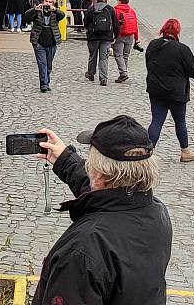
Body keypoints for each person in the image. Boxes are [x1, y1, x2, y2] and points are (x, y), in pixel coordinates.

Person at [32, 116, 170, 305]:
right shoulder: (157, 211)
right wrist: (65, 160)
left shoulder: (82, 249)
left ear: (99, 173)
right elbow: (110, 195)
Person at [146, 18, 194, 162]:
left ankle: (147, 153)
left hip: (156, 90)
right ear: (177, 31)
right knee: (180, 121)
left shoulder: (152, 45)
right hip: (176, 92)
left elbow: (149, 64)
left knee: (157, 120)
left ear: (163, 30)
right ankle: (185, 152)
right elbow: (192, 69)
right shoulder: (181, 49)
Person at [23, 0, 65, 92]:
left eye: (50, 2)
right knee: (42, 63)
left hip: (52, 41)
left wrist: (55, 9)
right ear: (43, 1)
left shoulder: (55, 12)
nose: (48, 4)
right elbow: (26, 16)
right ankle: (44, 84)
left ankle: (47, 82)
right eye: (46, 1)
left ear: (53, 3)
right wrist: (35, 9)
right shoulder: (37, 11)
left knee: (49, 64)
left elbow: (62, 15)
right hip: (39, 41)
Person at [84, 0, 119, 86]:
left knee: (93, 56)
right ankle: (103, 78)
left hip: (93, 37)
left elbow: (86, 23)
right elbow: (116, 24)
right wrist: (115, 35)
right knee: (104, 58)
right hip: (106, 37)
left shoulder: (91, 9)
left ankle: (91, 74)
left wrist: (89, 30)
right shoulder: (110, 9)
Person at [113, 0, 139, 83]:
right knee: (125, 56)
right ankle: (124, 73)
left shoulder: (116, 10)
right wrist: (136, 38)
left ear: (120, 1)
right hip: (131, 35)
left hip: (120, 35)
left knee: (118, 55)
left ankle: (123, 73)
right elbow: (136, 25)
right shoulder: (132, 11)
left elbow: (114, 24)